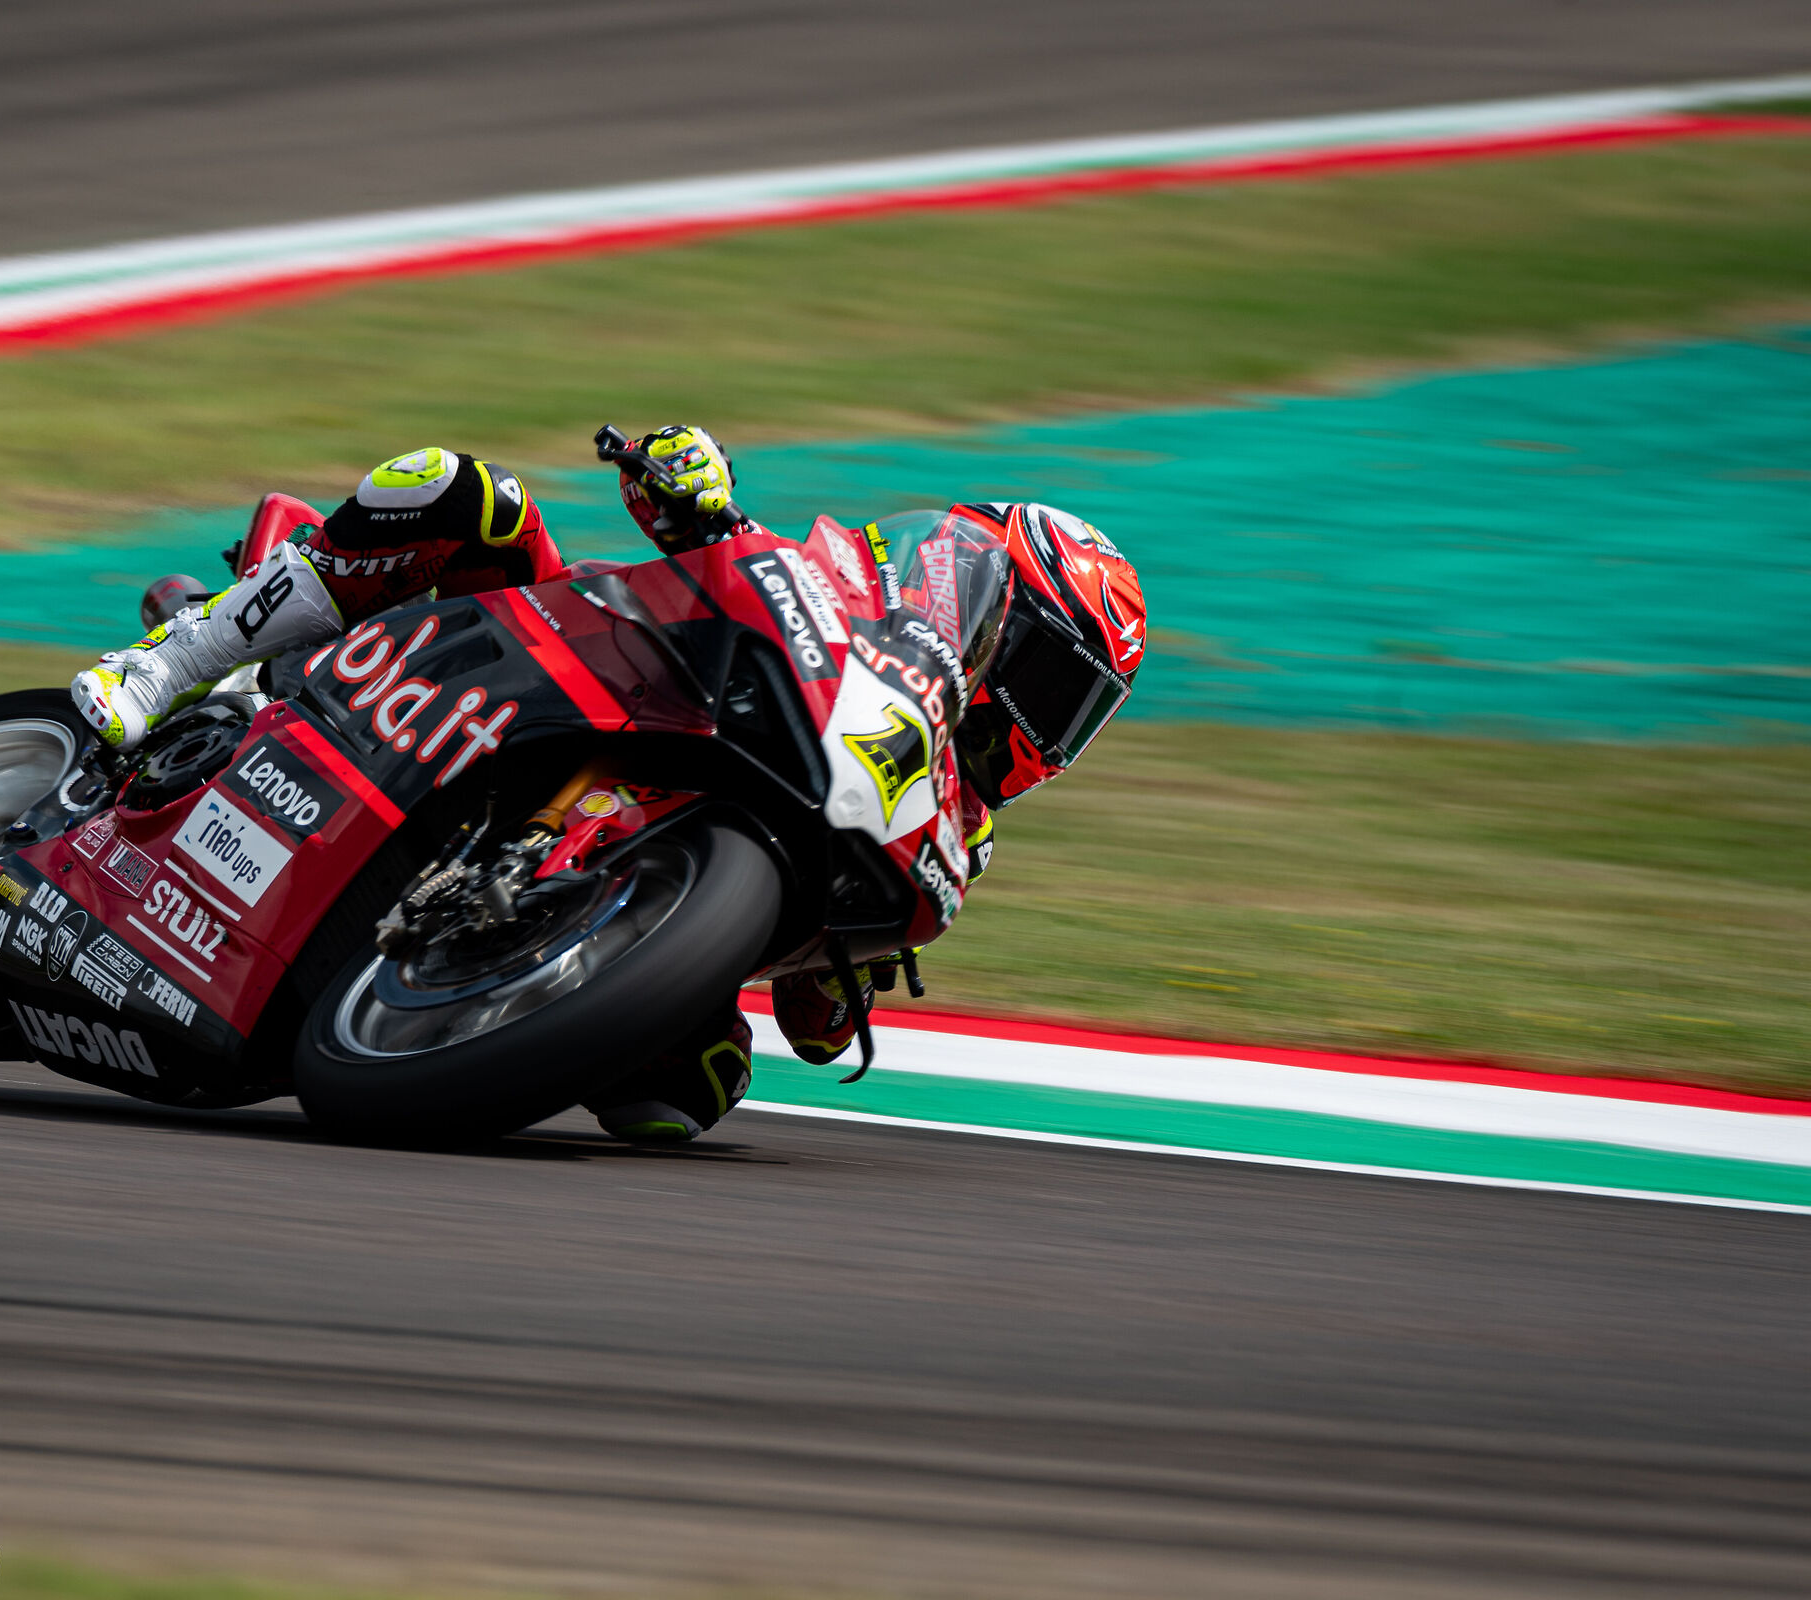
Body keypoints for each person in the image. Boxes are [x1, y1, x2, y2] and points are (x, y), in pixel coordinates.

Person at [70, 426, 1145, 1142]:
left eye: (1077, 711)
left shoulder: (952, 825)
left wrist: (843, 970)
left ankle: (459, 981)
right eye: (1054, 680)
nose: (1046, 721)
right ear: (992, 610)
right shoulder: (853, 598)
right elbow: (722, 564)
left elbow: (815, 1024)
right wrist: (694, 498)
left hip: (640, 855)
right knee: (456, 487)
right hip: (560, 666)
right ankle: (171, 663)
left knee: (693, 1089)